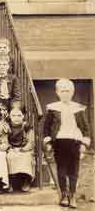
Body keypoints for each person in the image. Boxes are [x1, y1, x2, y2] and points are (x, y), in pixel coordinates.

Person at [43, 78, 91, 208]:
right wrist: (47, 141)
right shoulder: (53, 108)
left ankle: (73, 194)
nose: (65, 93)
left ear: (72, 92)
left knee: (73, 169)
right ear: (58, 92)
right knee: (61, 169)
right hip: (59, 141)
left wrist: (84, 144)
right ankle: (64, 194)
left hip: (74, 140)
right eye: (62, 91)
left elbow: (85, 128)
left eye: (68, 91)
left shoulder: (78, 108)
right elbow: (46, 127)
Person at [6, 107, 34, 193]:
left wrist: (24, 149)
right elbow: (4, 140)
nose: (16, 118)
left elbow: (31, 141)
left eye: (19, 115)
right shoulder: (7, 126)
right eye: (13, 115)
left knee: (26, 157)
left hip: (24, 149)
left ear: (23, 116)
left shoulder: (26, 126)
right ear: (9, 116)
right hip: (11, 148)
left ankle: (26, 180)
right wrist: (10, 148)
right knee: (9, 157)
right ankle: (10, 181)